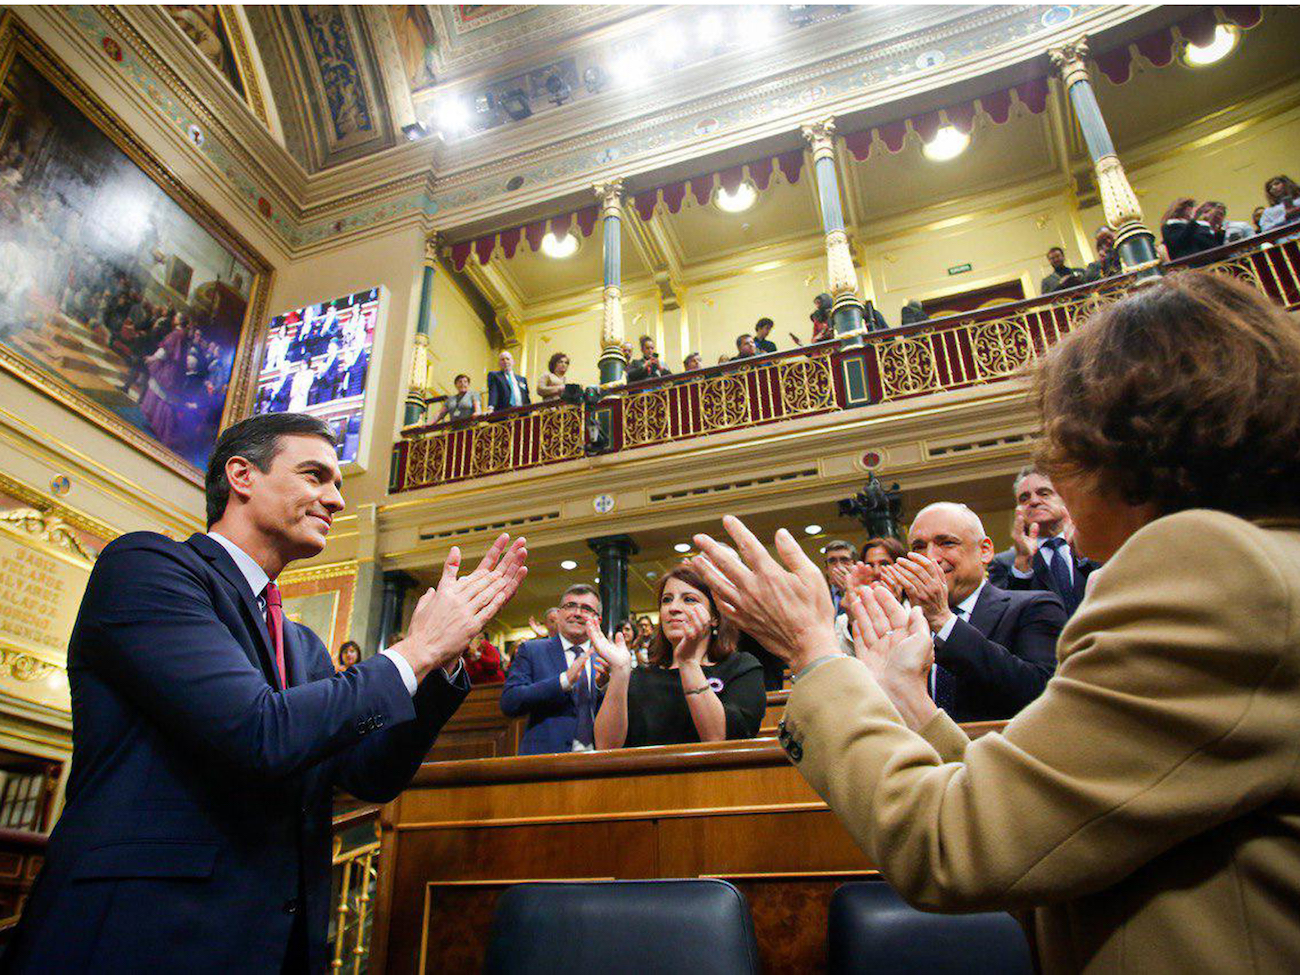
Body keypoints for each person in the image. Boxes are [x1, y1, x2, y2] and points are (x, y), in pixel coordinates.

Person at [691, 269, 1300, 974]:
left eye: (1056, 442)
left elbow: (953, 844)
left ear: (1121, 440)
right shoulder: (1262, 559)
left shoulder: (1214, 566)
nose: (1053, 472)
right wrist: (916, 707)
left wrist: (814, 650)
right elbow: (1048, 818)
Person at [3, 413, 527, 973]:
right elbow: (257, 732)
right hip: (141, 933)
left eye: (338, 485)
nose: (335, 500)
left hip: (269, 940)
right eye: (315, 476)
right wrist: (414, 650)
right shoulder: (147, 567)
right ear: (241, 476)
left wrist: (440, 663)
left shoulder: (301, 644)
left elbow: (368, 774)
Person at [877, 502, 1066, 720]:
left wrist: (942, 620)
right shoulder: (905, 626)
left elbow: (1040, 693)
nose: (930, 557)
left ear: (985, 551)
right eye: (919, 547)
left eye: (946, 543)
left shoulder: (1035, 607)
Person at [590, 565, 766, 749]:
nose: (673, 608)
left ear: (714, 616)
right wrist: (620, 672)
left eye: (689, 599)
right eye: (666, 600)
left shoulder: (741, 667)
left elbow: (719, 741)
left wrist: (688, 662)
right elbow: (606, 747)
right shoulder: (641, 676)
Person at [499, 585, 604, 754]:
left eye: (586, 608)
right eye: (570, 606)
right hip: (545, 761)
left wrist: (604, 686)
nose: (577, 613)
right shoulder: (532, 650)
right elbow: (510, 702)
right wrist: (563, 681)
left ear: (597, 620)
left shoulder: (606, 657)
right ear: (559, 614)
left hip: (599, 761)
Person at [988, 465, 1101, 615]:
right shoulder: (1004, 563)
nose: (1034, 501)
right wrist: (1022, 566)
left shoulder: (1098, 543)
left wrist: (1082, 553)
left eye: (1044, 493)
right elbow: (1003, 618)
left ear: (1064, 498)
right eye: (1024, 498)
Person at [822, 540, 855, 616]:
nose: (839, 566)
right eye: (832, 561)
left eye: (845, 560)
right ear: (826, 568)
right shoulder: (820, 596)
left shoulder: (863, 594)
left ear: (854, 565)